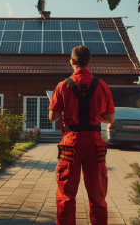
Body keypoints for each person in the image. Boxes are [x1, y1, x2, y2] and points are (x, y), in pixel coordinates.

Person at [49, 45, 115, 225]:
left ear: (72, 61)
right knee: (98, 195)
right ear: (89, 62)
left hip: (70, 143)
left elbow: (53, 117)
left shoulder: (62, 86)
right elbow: (109, 119)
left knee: (66, 195)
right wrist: (93, 114)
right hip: (95, 143)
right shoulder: (102, 86)